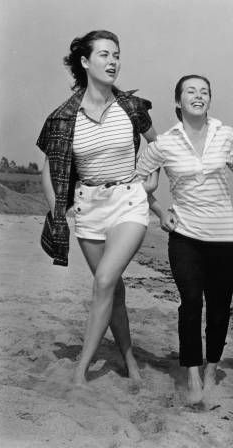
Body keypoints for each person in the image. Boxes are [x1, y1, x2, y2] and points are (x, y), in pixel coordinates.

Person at [37, 30, 157, 389]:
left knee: (104, 281)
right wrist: (57, 208)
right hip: (89, 207)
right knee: (112, 289)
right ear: (85, 62)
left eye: (116, 54)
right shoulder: (62, 118)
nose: (113, 61)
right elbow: (47, 167)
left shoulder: (132, 108)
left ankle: (81, 369)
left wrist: (151, 179)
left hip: (128, 202)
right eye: (104, 54)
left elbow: (158, 146)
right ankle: (130, 360)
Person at [135, 75, 233, 405]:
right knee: (192, 303)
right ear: (178, 103)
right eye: (191, 91)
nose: (199, 96)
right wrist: (157, 210)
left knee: (221, 308)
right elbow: (137, 182)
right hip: (185, 236)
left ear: (210, 100)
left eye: (205, 91)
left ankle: (212, 367)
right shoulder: (164, 143)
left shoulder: (225, 134)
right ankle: (193, 372)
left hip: (226, 236)